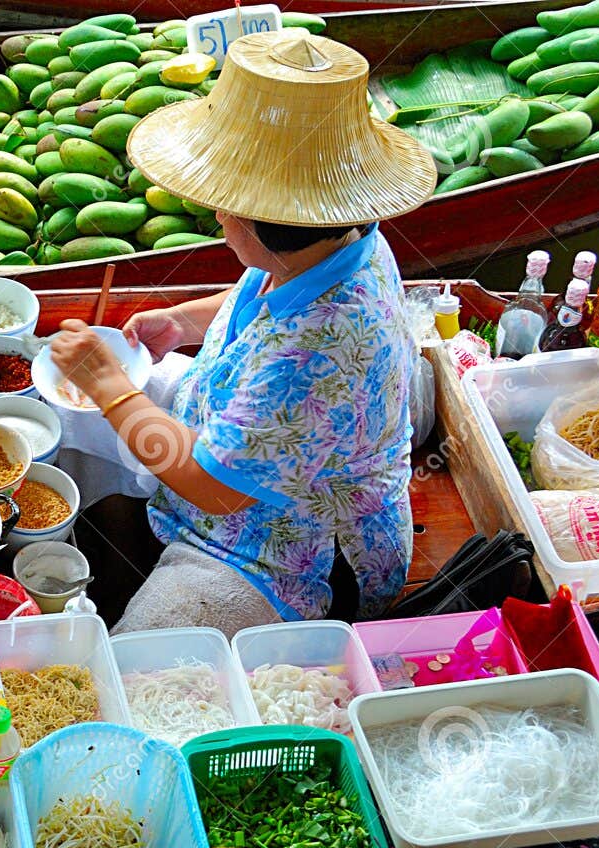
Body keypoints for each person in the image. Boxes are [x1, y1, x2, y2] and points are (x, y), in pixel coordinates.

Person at [49, 31, 436, 635]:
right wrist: (181, 323)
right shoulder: (338, 237)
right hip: (235, 428)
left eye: (228, 208)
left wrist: (108, 386)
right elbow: (255, 297)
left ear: (274, 221)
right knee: (65, 418)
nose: (219, 216)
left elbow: (215, 489)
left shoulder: (316, 347)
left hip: (282, 553)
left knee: (137, 668)